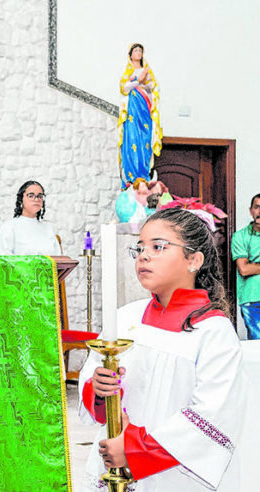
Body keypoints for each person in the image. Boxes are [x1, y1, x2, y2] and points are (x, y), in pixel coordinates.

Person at [78, 208, 246, 491]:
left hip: (172, 475)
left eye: (158, 247)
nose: (144, 255)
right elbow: (96, 394)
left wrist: (133, 450)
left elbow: (212, 416)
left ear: (194, 259)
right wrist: (100, 391)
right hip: (114, 458)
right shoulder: (124, 319)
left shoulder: (214, 332)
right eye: (140, 247)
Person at [117, 43, 163, 189]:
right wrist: (138, 81)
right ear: (130, 54)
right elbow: (124, 88)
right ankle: (131, 174)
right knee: (131, 138)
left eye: (140, 51)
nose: (138, 53)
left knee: (144, 140)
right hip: (132, 109)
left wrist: (144, 82)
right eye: (135, 50)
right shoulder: (128, 71)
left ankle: (144, 173)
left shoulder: (147, 70)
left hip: (144, 108)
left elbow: (153, 89)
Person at [0, 180, 61, 255]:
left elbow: (59, 260)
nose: (36, 199)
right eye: (31, 196)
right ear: (21, 199)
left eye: (40, 196)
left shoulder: (48, 229)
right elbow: (2, 260)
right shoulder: (9, 227)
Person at [231, 193, 260, 339]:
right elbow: (244, 269)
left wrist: (253, 265)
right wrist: (249, 267)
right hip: (252, 297)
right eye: (257, 207)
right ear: (251, 210)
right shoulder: (240, 236)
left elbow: (250, 267)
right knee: (257, 344)